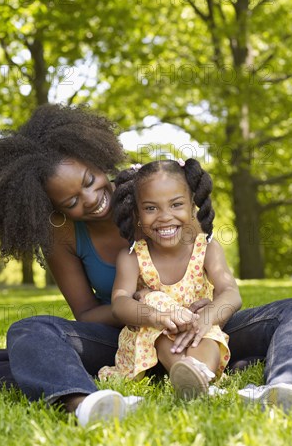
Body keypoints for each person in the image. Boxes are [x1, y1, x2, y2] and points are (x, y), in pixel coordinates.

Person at [0, 104, 292, 422]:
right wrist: (149, 311)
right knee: (29, 330)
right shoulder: (62, 238)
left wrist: (201, 314)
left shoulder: (151, 192)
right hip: (126, 337)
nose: (91, 199)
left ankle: (290, 388)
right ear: (52, 209)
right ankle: (86, 405)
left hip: (208, 328)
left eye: (90, 180)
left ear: (97, 158)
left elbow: (209, 264)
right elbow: (87, 315)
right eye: (71, 201)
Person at [98, 159, 241, 399]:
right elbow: (119, 303)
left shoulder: (206, 248)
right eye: (151, 208)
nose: (165, 217)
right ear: (137, 214)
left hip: (197, 326)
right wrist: (158, 317)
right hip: (156, 335)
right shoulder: (132, 256)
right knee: (155, 305)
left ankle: (199, 377)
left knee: (207, 336)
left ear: (193, 206)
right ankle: (185, 374)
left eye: (176, 205)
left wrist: (206, 318)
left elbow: (231, 292)